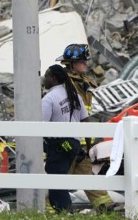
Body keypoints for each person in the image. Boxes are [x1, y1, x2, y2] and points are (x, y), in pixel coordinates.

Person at [56, 43, 116, 212]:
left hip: (81, 144)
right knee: (58, 181)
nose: (86, 64)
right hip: (67, 144)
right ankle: (50, 211)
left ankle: (106, 209)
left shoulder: (82, 84)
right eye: (82, 61)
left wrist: (87, 144)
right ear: (72, 64)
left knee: (88, 178)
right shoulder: (65, 86)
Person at [42, 64, 86, 213]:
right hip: (73, 143)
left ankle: (65, 212)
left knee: (56, 179)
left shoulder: (50, 98)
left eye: (46, 75)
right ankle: (59, 210)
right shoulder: (74, 95)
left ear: (53, 78)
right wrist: (86, 145)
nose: (44, 78)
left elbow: (41, 125)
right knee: (58, 177)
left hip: (59, 143)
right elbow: (85, 121)